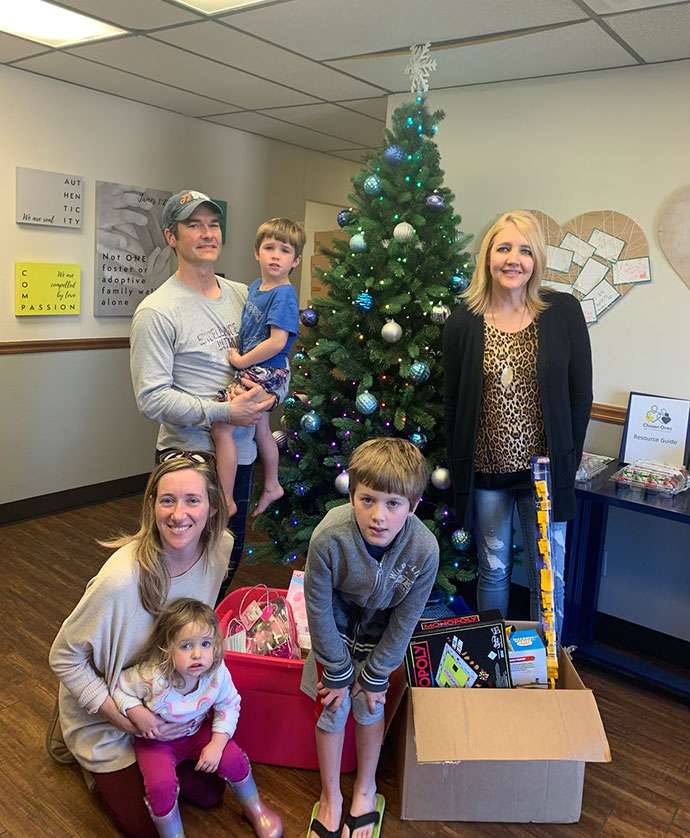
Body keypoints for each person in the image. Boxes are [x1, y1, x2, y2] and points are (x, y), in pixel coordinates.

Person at [49, 457, 238, 837]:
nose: (179, 514)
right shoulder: (120, 581)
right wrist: (120, 718)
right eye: (167, 500)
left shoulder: (221, 549)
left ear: (213, 507)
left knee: (210, 793)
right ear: (152, 505)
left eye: (192, 500)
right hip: (116, 707)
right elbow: (63, 656)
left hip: (170, 700)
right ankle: (84, 750)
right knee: (147, 827)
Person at [442, 209, 592, 640]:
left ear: (537, 260)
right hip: (487, 472)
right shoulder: (464, 321)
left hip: (544, 474)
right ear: (487, 256)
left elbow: (581, 394)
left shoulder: (563, 312)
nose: (514, 259)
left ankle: (547, 668)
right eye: (503, 247)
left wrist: (569, 459)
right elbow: (454, 402)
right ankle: (496, 663)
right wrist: (458, 468)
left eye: (525, 250)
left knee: (549, 577)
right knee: (493, 569)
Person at [130, 189, 275, 587]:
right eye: (194, 225)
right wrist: (226, 412)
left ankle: (203, 648)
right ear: (171, 237)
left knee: (226, 558)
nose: (208, 233)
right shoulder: (157, 311)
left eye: (213, 225)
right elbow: (151, 397)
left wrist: (270, 394)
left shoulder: (245, 296)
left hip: (241, 456)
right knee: (178, 571)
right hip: (187, 459)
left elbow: (276, 358)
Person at [302, 438, 439, 838]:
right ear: (353, 495)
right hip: (337, 626)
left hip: (383, 631)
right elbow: (319, 606)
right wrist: (337, 670)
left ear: (413, 507)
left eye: (393, 504)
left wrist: (377, 674)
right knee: (332, 704)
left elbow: (407, 617)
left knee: (370, 705)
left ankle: (365, 788)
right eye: (367, 500)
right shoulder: (329, 537)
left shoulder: (424, 549)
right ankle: (331, 797)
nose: (378, 515)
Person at [113, 598, 281, 838]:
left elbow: (229, 704)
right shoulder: (151, 676)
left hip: (196, 732)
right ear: (167, 648)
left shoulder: (216, 673)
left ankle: (255, 809)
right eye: (185, 646)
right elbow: (120, 687)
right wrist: (135, 711)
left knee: (233, 760)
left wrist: (216, 743)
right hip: (156, 742)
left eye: (205, 644)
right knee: (161, 787)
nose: (197, 654)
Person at [211, 218, 303, 519]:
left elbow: (277, 342)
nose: (276, 255)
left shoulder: (284, 294)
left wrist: (240, 361)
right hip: (260, 369)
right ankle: (272, 483)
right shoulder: (256, 288)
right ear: (257, 253)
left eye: (285, 250)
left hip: (268, 371)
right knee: (262, 428)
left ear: (296, 260)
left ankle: (226, 498)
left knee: (221, 425)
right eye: (269, 247)